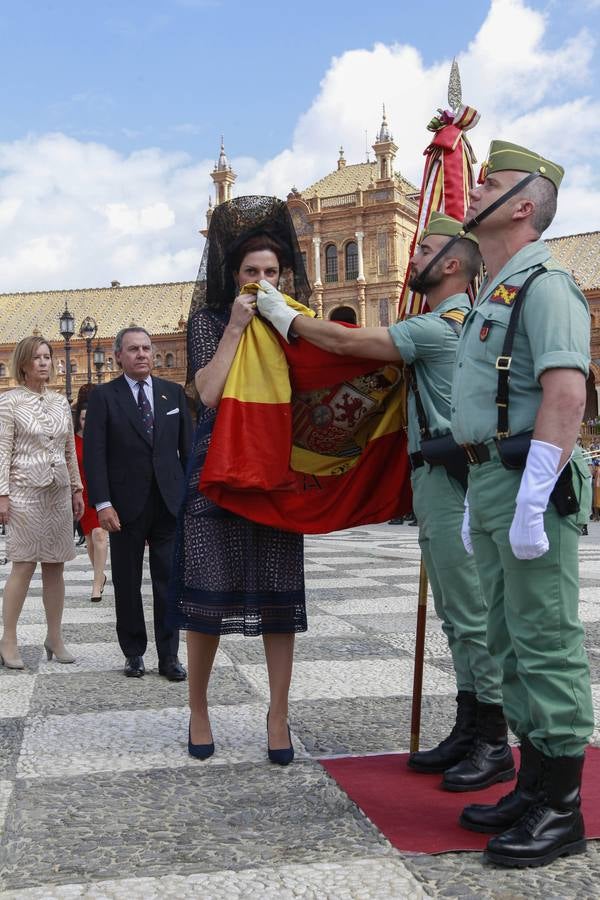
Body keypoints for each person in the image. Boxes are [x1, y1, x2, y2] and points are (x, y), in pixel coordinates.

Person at [257, 211, 510, 791]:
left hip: (452, 480)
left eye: (424, 251)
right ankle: (470, 728)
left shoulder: (443, 325)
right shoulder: (446, 321)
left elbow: (343, 341)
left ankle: (492, 739)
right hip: (437, 479)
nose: (413, 259)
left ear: (451, 265)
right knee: (456, 612)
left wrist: (280, 310)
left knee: (469, 613)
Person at [449, 141, 594, 867]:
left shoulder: (547, 286)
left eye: (491, 183)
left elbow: (567, 396)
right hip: (492, 477)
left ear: (525, 207)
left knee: (543, 638)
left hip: (529, 476)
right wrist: (485, 493)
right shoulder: (496, 292)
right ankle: (534, 785)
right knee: (507, 639)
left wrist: (534, 496)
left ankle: (563, 808)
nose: (475, 189)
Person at [169, 195, 311, 764]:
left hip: (275, 470)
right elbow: (207, 392)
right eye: (251, 272)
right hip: (215, 471)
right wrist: (234, 328)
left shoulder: (295, 322)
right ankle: (198, 708)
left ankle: (278, 715)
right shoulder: (208, 320)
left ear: (284, 275)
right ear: (233, 276)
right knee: (206, 598)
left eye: (270, 272)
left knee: (281, 597)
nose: (261, 280)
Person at [84, 327, 192, 681]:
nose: (142, 354)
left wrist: (189, 500)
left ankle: (169, 656)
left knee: (168, 582)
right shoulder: (104, 397)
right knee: (127, 583)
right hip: (123, 507)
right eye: (133, 349)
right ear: (119, 356)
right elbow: (95, 456)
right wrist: (102, 503)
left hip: (168, 503)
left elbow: (188, 453)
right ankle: (133, 653)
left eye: (146, 348)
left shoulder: (172, 393)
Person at [0, 336, 84, 669]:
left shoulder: (61, 402)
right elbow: (2, 451)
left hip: (58, 493)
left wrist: (76, 488)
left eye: (48, 356)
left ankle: (55, 636)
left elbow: (68, 451)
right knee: (23, 564)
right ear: (23, 364)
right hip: (23, 494)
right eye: (37, 358)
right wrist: (2, 494)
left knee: (56, 566)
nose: (44, 362)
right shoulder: (9, 402)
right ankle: (8, 638)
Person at [74, 401, 109, 602]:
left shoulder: (102, 438)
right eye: (84, 418)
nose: (88, 422)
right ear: (78, 420)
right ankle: (100, 575)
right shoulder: (72, 440)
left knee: (100, 535)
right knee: (89, 539)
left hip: (100, 492)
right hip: (81, 494)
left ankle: (96, 585)